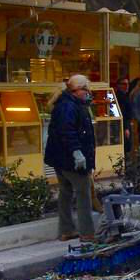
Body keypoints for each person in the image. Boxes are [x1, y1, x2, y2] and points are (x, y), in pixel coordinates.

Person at [44, 74, 96, 242]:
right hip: (71, 160)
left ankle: (66, 230)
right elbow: (68, 132)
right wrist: (77, 152)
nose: (88, 93)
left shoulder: (66, 103)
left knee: (65, 193)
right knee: (83, 194)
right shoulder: (69, 107)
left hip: (60, 159)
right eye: (86, 90)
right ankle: (87, 233)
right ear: (76, 90)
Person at [114, 77, 133, 152]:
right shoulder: (120, 97)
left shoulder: (124, 95)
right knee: (125, 146)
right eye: (124, 84)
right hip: (123, 125)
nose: (127, 86)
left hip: (126, 124)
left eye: (128, 84)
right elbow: (123, 113)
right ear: (119, 85)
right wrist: (126, 128)